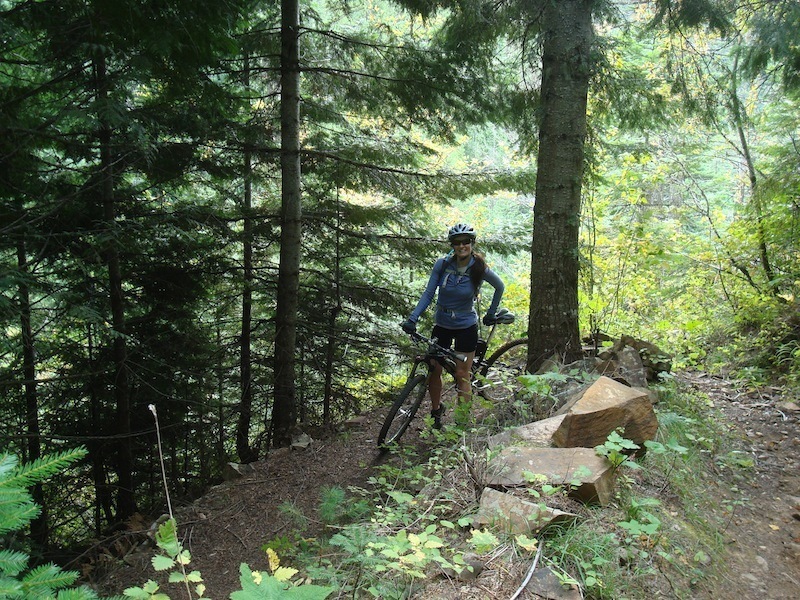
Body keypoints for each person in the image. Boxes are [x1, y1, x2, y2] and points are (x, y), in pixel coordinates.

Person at [400, 223, 505, 429]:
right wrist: (413, 318)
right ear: (452, 245)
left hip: (466, 325)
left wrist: (491, 313)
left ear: (472, 243)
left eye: (465, 241)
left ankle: (462, 423)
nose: (461, 245)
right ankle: (436, 411)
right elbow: (429, 293)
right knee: (433, 368)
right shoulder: (443, 264)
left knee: (461, 374)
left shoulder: (479, 267)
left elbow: (499, 287)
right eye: (457, 242)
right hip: (442, 323)